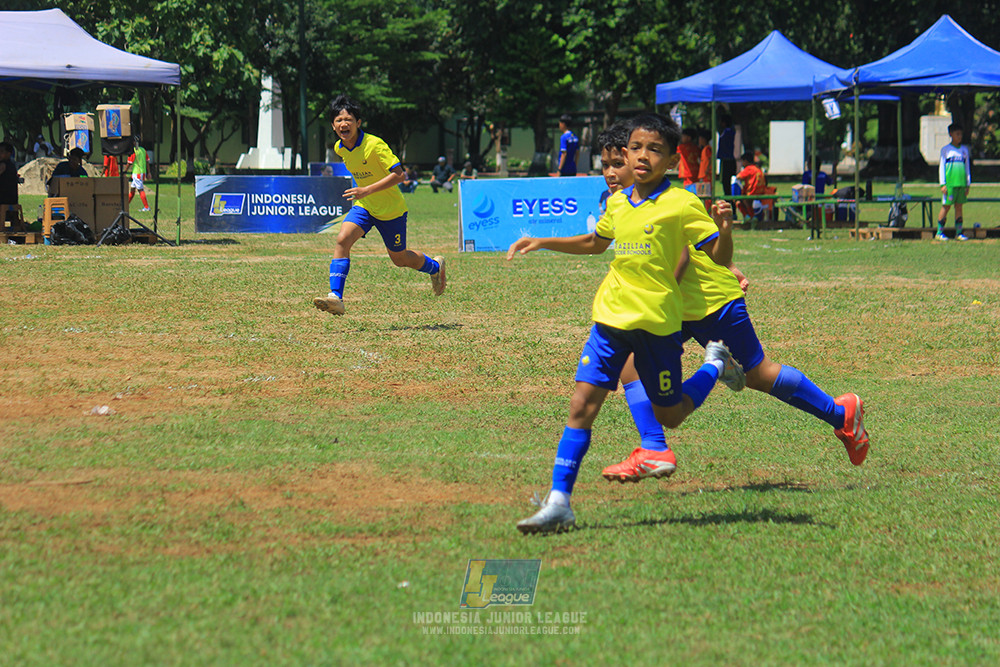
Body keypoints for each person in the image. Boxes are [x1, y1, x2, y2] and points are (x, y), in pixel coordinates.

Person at [593, 124, 870, 484]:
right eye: (606, 165)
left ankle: (841, 414)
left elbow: (681, 258)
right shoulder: (630, 203)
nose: (612, 173)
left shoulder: (664, 201)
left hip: (711, 304)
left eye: (619, 163)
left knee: (759, 374)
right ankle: (653, 447)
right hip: (675, 308)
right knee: (631, 364)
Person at [507, 112, 743, 534]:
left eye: (655, 149)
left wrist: (725, 231)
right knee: (582, 406)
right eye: (635, 148)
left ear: (671, 160)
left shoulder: (683, 203)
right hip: (610, 321)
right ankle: (559, 502)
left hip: (658, 327)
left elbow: (720, 260)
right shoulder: (617, 202)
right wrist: (543, 240)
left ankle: (714, 365)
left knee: (670, 416)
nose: (642, 157)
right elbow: (596, 243)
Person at [313, 95, 446, 316]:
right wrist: (364, 194)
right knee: (342, 239)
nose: (343, 124)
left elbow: (399, 175)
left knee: (399, 258)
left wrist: (366, 189)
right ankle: (335, 297)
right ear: (333, 125)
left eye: (348, 119)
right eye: (338, 120)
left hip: (391, 210)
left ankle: (435, 267)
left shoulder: (375, 145)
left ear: (358, 123)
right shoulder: (340, 148)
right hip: (365, 206)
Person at [936, 123, 971, 241]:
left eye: (961, 134)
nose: (959, 136)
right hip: (950, 185)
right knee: (946, 207)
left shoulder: (964, 150)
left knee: (959, 207)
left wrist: (968, 184)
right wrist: (943, 184)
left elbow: (967, 168)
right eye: (957, 134)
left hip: (961, 184)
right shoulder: (946, 150)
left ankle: (959, 232)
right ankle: (939, 232)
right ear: (951, 134)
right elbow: (941, 167)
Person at [0, 142, 25, 233]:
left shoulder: (3, 165)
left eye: (2, 151)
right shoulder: (12, 165)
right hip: (12, 198)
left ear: (8, 154)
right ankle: (16, 223)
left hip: (4, 198)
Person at [735, 151, 767, 220]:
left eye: (742, 161)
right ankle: (753, 216)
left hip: (753, 192)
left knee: (739, 201)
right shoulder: (757, 168)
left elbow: (738, 177)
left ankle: (749, 216)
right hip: (761, 192)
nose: (742, 164)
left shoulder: (749, 168)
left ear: (746, 161)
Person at [127, 140, 151, 212]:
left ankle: (146, 207)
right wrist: (149, 172)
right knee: (132, 190)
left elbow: (129, 162)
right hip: (142, 172)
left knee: (140, 190)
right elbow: (147, 161)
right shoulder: (143, 150)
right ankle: (125, 205)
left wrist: (124, 171)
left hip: (136, 173)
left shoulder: (133, 151)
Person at [717, 115, 737, 196]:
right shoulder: (731, 131)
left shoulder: (727, 132)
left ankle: (729, 198)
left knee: (726, 181)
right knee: (728, 181)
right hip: (730, 159)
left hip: (727, 159)